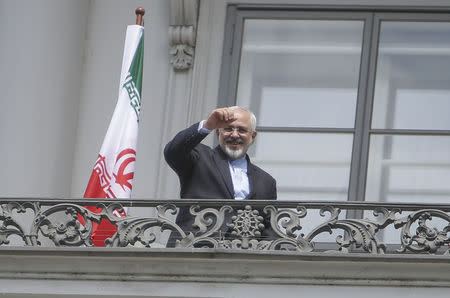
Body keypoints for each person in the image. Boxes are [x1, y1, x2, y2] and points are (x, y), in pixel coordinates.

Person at [164, 106, 277, 245]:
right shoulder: (200, 158)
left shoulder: (266, 181)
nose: (234, 135)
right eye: (228, 129)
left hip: (243, 258)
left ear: (252, 136)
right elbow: (173, 151)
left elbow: (270, 229)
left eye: (241, 130)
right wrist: (207, 125)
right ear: (218, 132)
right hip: (194, 249)